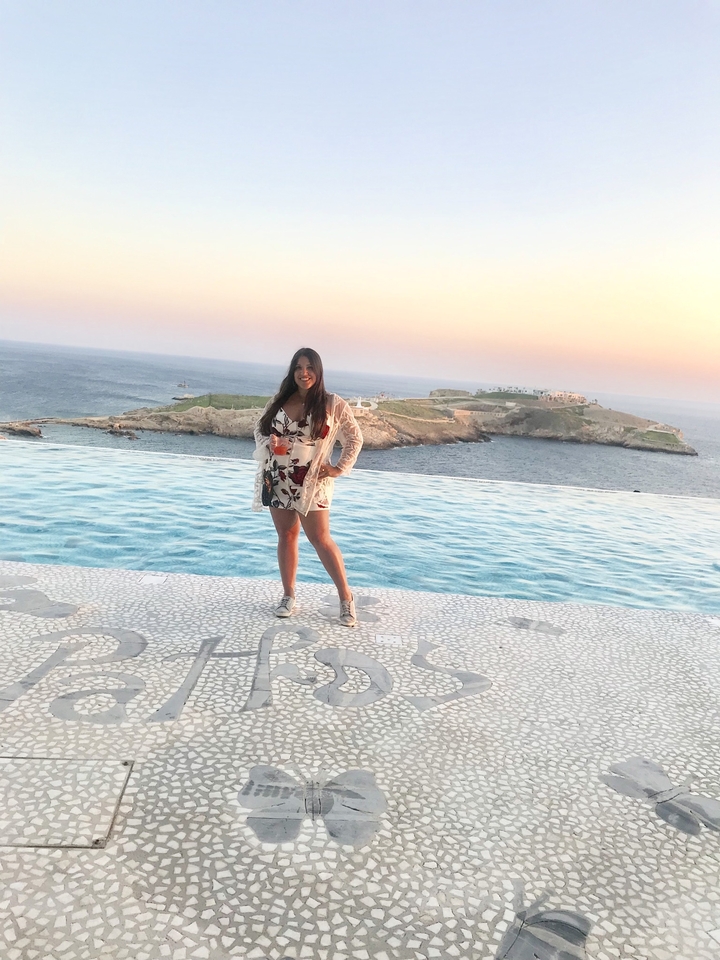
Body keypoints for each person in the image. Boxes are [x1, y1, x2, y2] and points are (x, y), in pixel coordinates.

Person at [252, 347, 363, 626]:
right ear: (292, 371)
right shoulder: (280, 401)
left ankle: (346, 599)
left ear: (318, 371)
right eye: (299, 367)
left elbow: (355, 438)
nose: (304, 373)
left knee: (320, 539)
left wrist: (338, 468)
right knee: (286, 536)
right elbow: (259, 429)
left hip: (313, 481)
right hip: (278, 478)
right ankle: (288, 596)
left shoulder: (331, 403)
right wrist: (271, 447)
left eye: (310, 367)